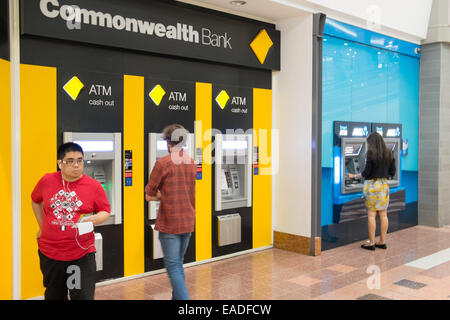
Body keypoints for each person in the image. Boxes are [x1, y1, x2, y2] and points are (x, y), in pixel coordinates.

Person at [31, 142, 111, 300]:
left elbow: (105, 211)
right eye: (70, 161)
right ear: (59, 163)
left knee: (81, 296)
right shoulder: (46, 181)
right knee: (55, 295)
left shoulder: (93, 186)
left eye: (80, 160)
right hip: (51, 254)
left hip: (81, 255)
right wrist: (42, 227)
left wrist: (93, 219)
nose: (76, 165)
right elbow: (35, 200)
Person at [145, 124, 196, 300]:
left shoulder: (162, 163)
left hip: (170, 223)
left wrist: (161, 195)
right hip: (188, 221)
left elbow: (149, 194)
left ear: (168, 142)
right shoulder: (191, 162)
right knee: (178, 264)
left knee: (173, 266)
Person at [351, 132, 395, 251]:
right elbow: (393, 172)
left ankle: (371, 243)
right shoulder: (389, 153)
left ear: (371, 142)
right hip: (384, 186)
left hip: (372, 186)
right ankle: (382, 242)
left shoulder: (370, 154)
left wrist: (353, 176)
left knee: (371, 215)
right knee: (383, 214)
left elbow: (366, 173)